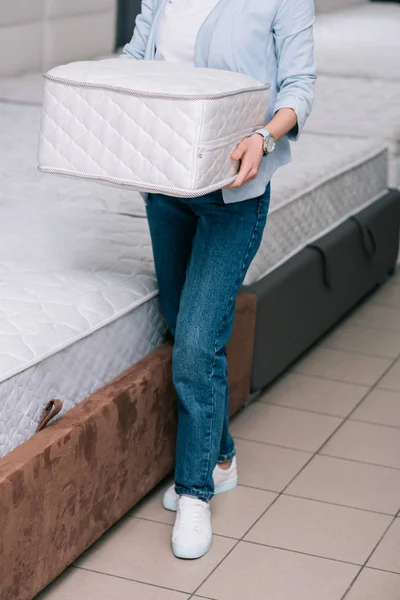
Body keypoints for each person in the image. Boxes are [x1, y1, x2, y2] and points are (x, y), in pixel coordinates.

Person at [123, 0, 316, 560]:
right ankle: (222, 457)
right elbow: (137, 58)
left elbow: (299, 89)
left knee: (195, 345)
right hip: (165, 183)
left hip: (234, 194)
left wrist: (264, 135)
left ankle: (195, 490)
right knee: (185, 326)